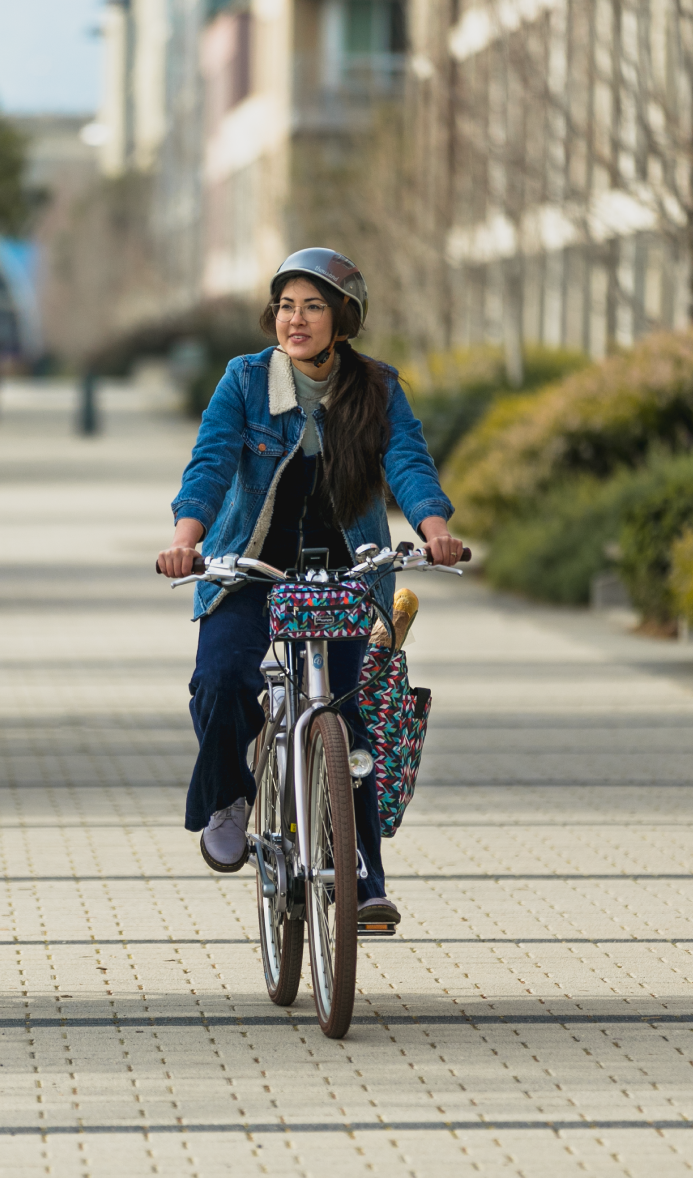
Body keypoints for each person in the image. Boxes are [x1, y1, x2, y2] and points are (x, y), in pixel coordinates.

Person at [156, 248, 462, 926]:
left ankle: (364, 878)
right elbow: (209, 463)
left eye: (313, 306)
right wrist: (187, 540)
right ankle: (231, 796)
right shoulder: (244, 382)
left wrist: (435, 529)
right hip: (256, 569)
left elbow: (407, 460)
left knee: (351, 728)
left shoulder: (376, 387)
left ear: (342, 319)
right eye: (287, 306)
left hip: (344, 571)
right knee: (222, 680)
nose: (295, 319)